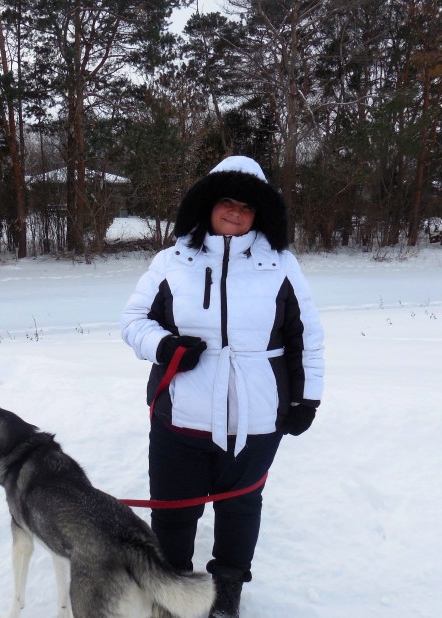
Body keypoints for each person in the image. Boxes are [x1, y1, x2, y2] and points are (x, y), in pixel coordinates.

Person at [120, 155, 325, 618]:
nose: (235, 212)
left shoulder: (282, 266)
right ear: (209, 205)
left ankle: (227, 588)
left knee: (240, 508)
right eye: (227, 201)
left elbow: (307, 338)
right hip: (180, 415)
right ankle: (172, 587)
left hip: (256, 418)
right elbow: (133, 321)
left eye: (247, 206)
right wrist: (165, 345)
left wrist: (306, 399)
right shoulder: (171, 261)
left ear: (259, 214)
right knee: (172, 510)